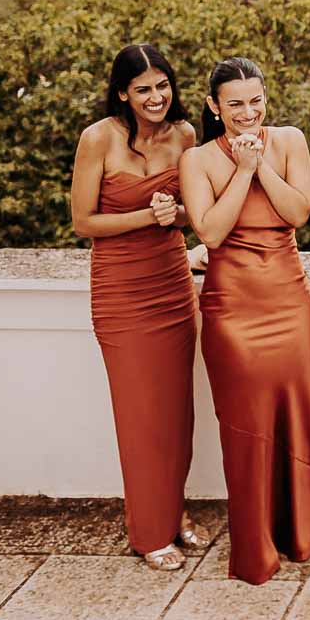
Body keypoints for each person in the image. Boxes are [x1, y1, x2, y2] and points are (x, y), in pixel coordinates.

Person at [179, 57, 310, 583]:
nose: (247, 112)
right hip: (233, 306)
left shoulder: (290, 141)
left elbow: (298, 212)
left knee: (297, 414)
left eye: (255, 101)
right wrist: (242, 170)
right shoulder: (197, 160)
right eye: (235, 104)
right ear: (213, 106)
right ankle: (255, 543)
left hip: (289, 299)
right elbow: (211, 232)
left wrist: (260, 163)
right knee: (246, 426)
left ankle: (302, 530)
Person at [71, 44, 208, 571]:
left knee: (176, 412)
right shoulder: (98, 138)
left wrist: (177, 217)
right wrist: (147, 218)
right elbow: (84, 222)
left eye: (163, 85)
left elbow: (193, 214)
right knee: (139, 416)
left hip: (172, 283)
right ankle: (149, 532)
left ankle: (173, 513)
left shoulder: (186, 135)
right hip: (121, 291)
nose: (156, 97)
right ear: (123, 93)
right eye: (143, 89)